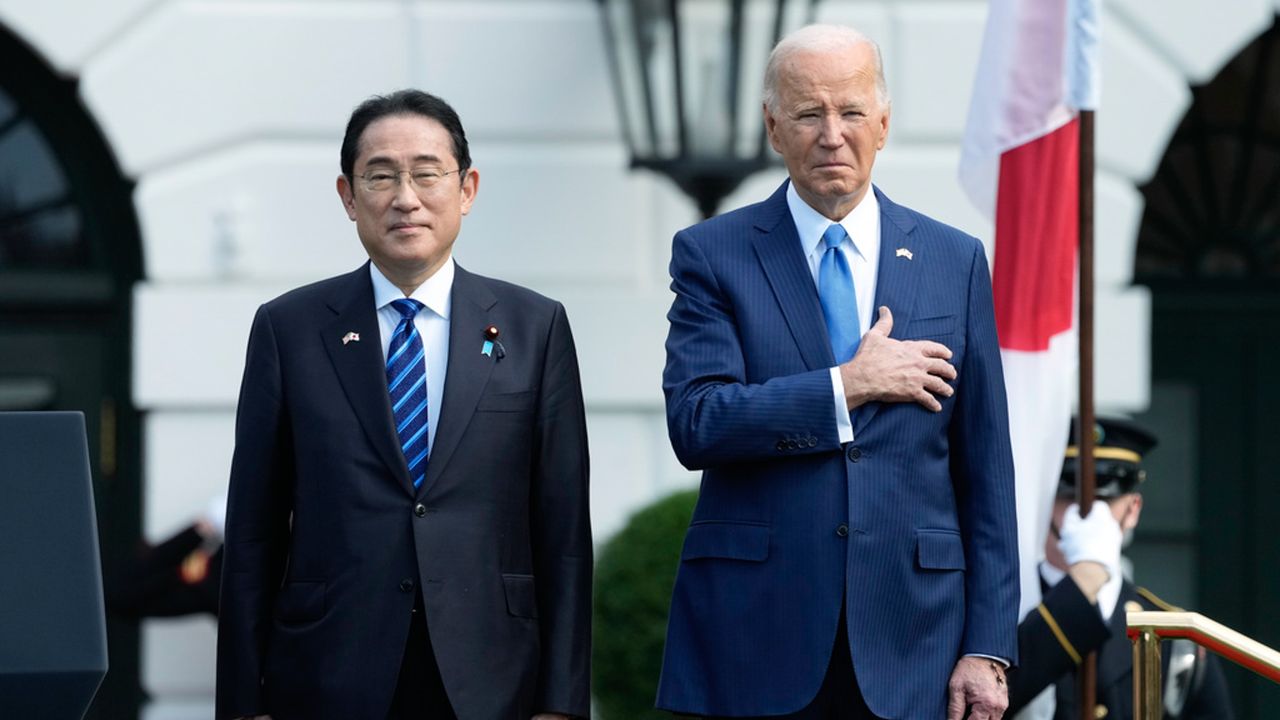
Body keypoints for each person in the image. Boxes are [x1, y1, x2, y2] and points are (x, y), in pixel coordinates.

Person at [656, 23, 1019, 720]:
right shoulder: (712, 253)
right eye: (808, 114)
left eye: (851, 111)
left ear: (883, 123)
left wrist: (989, 646)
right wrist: (847, 386)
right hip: (757, 638)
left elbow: (988, 473)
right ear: (772, 127)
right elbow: (697, 422)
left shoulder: (955, 260)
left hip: (917, 643)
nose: (832, 135)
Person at [215, 90, 592, 720]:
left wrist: (562, 702)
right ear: (348, 196)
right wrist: (242, 702)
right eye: (381, 176)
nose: (405, 198)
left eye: (427, 173)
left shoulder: (535, 327)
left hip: (493, 674)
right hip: (328, 672)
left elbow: (564, 531)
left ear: (467, 189)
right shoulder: (290, 329)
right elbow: (253, 529)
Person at [1008, 417, 1233, 719]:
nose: (1088, 512)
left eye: (1106, 498)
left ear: (1133, 510)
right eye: (1070, 495)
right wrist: (1085, 580)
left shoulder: (1176, 638)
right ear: (1044, 503)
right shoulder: (1005, 610)